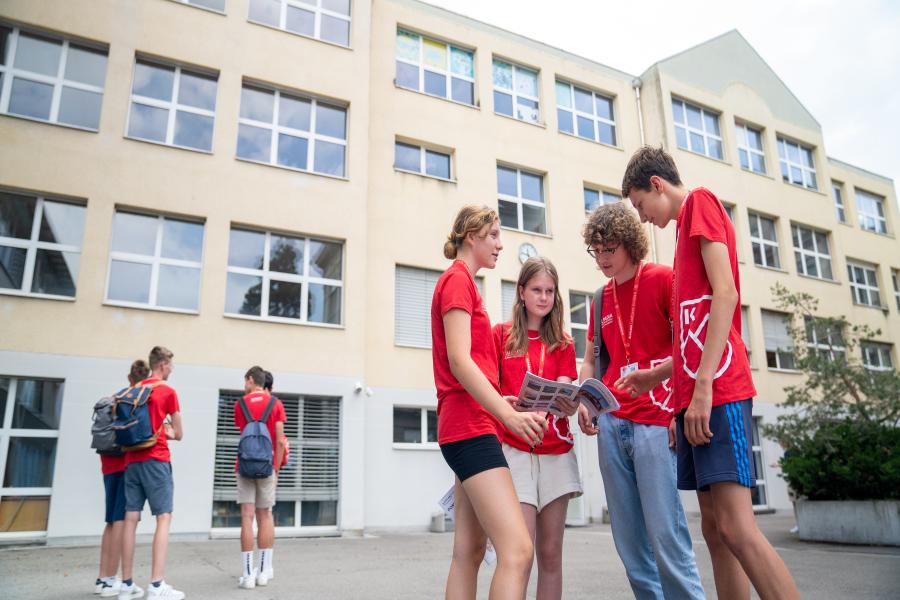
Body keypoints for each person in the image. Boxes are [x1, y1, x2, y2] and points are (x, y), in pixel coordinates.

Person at [620, 146, 799, 600]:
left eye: (641, 205)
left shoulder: (700, 203)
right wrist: (663, 382)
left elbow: (725, 294)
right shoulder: (681, 242)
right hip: (693, 400)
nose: (643, 218)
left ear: (657, 185)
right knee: (716, 532)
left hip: (720, 392)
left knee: (738, 529)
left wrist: (700, 391)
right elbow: (693, 330)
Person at [576, 202, 704, 599]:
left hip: (655, 422)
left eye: (608, 249)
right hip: (612, 424)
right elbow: (591, 359)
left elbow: (689, 347)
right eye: (595, 251)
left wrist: (678, 411)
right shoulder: (599, 299)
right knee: (630, 545)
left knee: (666, 536)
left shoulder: (665, 279)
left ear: (630, 242)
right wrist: (584, 399)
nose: (601, 259)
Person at [432, 204, 547, 599]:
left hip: (468, 424)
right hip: (470, 428)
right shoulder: (457, 281)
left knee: (469, 551)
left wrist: (502, 401)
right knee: (517, 551)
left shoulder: (464, 282)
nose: (501, 244)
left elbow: (469, 365)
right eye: (494, 235)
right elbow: (460, 362)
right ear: (471, 236)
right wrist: (506, 416)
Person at [492, 257, 580, 600]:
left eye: (550, 291)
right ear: (521, 292)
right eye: (537, 290)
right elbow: (490, 391)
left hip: (556, 453)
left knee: (550, 554)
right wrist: (505, 403)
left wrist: (571, 402)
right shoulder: (500, 336)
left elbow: (564, 386)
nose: (544, 297)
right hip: (516, 451)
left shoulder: (563, 342)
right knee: (520, 553)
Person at [118, 346, 184, 600]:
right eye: (171, 366)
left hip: (131, 460)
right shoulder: (167, 391)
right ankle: (156, 585)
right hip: (155, 460)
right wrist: (166, 431)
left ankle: (126, 585)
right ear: (163, 365)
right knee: (163, 518)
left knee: (130, 519)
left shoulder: (133, 389)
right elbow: (178, 433)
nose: (171, 370)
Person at [95, 360, 150, 597]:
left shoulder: (115, 396)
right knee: (121, 520)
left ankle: (103, 578)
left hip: (107, 465)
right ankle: (111, 581)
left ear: (129, 376)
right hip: (124, 465)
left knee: (110, 521)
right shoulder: (137, 400)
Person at [234, 366, 286, 589]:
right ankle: (263, 573)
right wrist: (276, 468)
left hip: (244, 465)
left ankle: (247, 576)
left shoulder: (240, 404)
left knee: (247, 517)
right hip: (267, 466)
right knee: (265, 517)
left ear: (250, 379)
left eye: (245, 381)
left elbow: (243, 432)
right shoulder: (276, 404)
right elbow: (280, 440)